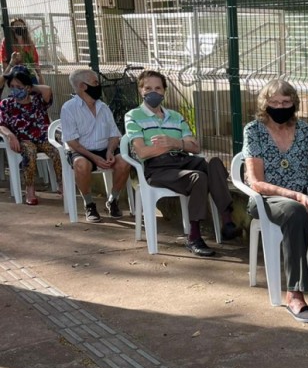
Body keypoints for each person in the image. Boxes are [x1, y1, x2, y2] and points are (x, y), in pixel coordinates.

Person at [243, 79, 308, 323]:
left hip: (305, 196)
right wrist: (296, 196)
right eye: (274, 102)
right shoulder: (254, 131)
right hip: (268, 199)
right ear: (265, 105)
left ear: (294, 103)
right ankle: (294, 293)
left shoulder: (304, 130)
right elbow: (256, 182)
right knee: (295, 211)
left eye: (286, 101)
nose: (280, 106)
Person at [124, 70, 238, 257]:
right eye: (148, 88)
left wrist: (174, 142)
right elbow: (142, 151)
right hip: (157, 168)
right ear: (140, 90)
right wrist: (176, 145)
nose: (153, 92)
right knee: (198, 177)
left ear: (164, 91)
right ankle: (194, 237)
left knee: (215, 163)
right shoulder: (133, 116)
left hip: (183, 160)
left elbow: (195, 147)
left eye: (158, 88)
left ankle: (227, 221)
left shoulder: (175, 117)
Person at [59, 68, 131, 223]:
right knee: (81, 165)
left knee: (124, 162)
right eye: (95, 82)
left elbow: (114, 134)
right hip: (81, 150)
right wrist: (94, 158)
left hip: (105, 148)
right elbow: (72, 143)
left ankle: (113, 200)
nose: (99, 85)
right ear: (82, 86)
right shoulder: (68, 108)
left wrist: (110, 151)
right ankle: (89, 204)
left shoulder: (103, 107)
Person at [0, 65, 61, 205]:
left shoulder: (37, 100)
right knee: (30, 150)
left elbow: (47, 90)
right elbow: (1, 124)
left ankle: (62, 184)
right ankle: (30, 189)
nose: (15, 89)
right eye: (12, 86)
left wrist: (30, 87)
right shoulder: (6, 104)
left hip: (42, 138)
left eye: (19, 86)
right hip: (22, 140)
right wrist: (10, 135)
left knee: (58, 149)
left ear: (28, 87)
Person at [0, 18, 44, 85]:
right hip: (15, 75)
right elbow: (4, 59)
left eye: (21, 25)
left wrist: (40, 76)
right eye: (16, 25)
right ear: (12, 28)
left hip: (29, 74)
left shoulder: (29, 42)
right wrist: (6, 75)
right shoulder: (7, 41)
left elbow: (35, 61)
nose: (19, 27)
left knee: (33, 92)